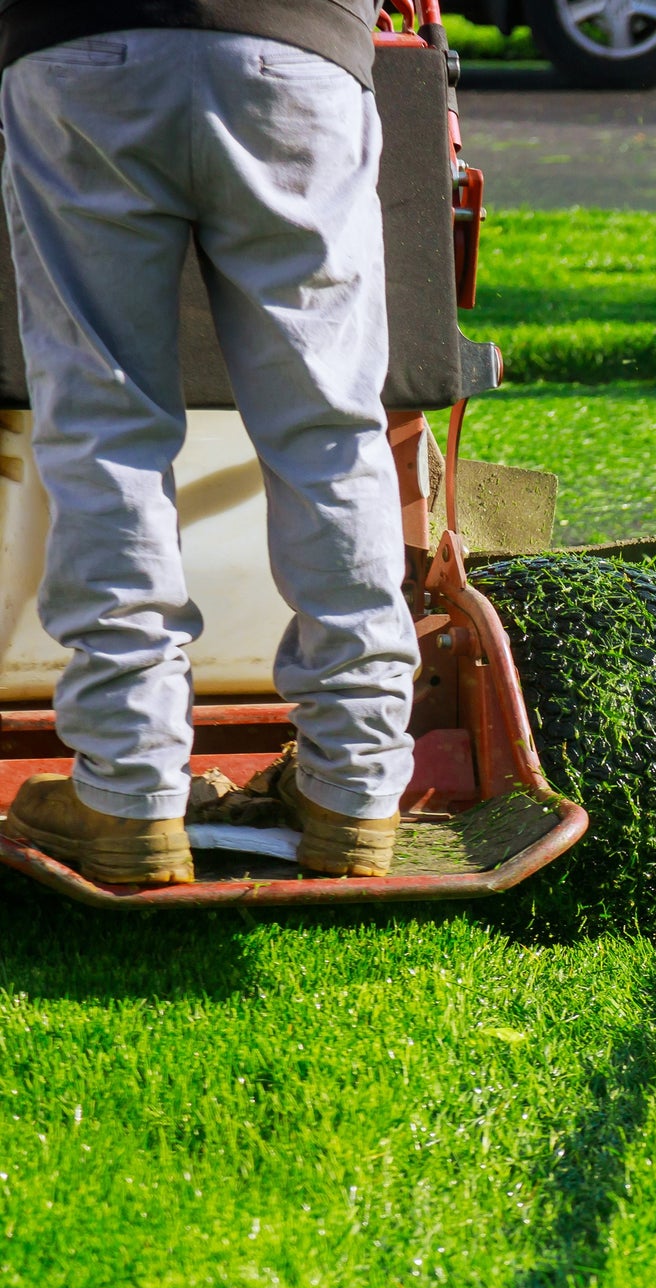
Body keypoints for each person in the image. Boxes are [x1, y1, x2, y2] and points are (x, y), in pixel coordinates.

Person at [0, 1, 419, 885]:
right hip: (298, 46)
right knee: (328, 428)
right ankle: (353, 785)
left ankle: (129, 791)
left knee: (105, 421)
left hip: (84, 50)